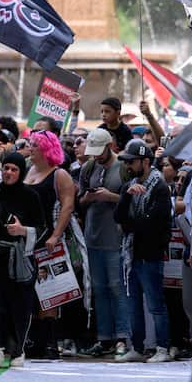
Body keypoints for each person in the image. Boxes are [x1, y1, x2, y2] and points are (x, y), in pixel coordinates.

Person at [0, 152, 48, 369]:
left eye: (14, 169)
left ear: (21, 172)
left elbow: (43, 229)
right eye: (6, 168)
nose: (8, 173)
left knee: (20, 305)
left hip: (19, 259)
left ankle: (18, 350)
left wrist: (22, 230)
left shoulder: (31, 196)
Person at [24, 130, 87, 359]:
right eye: (29, 145)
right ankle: (34, 341)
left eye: (34, 146)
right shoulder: (28, 170)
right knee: (31, 289)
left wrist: (56, 235)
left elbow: (68, 207)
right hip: (28, 237)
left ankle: (50, 343)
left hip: (50, 237)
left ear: (45, 149)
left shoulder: (60, 174)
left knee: (50, 289)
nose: (30, 149)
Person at [115, 138, 174, 362]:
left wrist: (131, 224)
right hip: (131, 254)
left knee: (155, 304)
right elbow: (118, 217)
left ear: (146, 161)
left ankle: (162, 348)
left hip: (150, 254)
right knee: (133, 305)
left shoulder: (159, 187)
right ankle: (137, 347)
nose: (128, 166)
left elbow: (152, 223)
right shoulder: (129, 185)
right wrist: (127, 196)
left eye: (132, 161)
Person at [77, 127, 130, 358]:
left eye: (100, 151)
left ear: (110, 146)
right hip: (93, 236)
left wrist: (111, 197)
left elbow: (133, 200)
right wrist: (88, 198)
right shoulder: (89, 168)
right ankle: (104, 337)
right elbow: (79, 201)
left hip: (115, 238)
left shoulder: (123, 168)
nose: (97, 156)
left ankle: (122, 337)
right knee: (99, 289)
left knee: (117, 288)